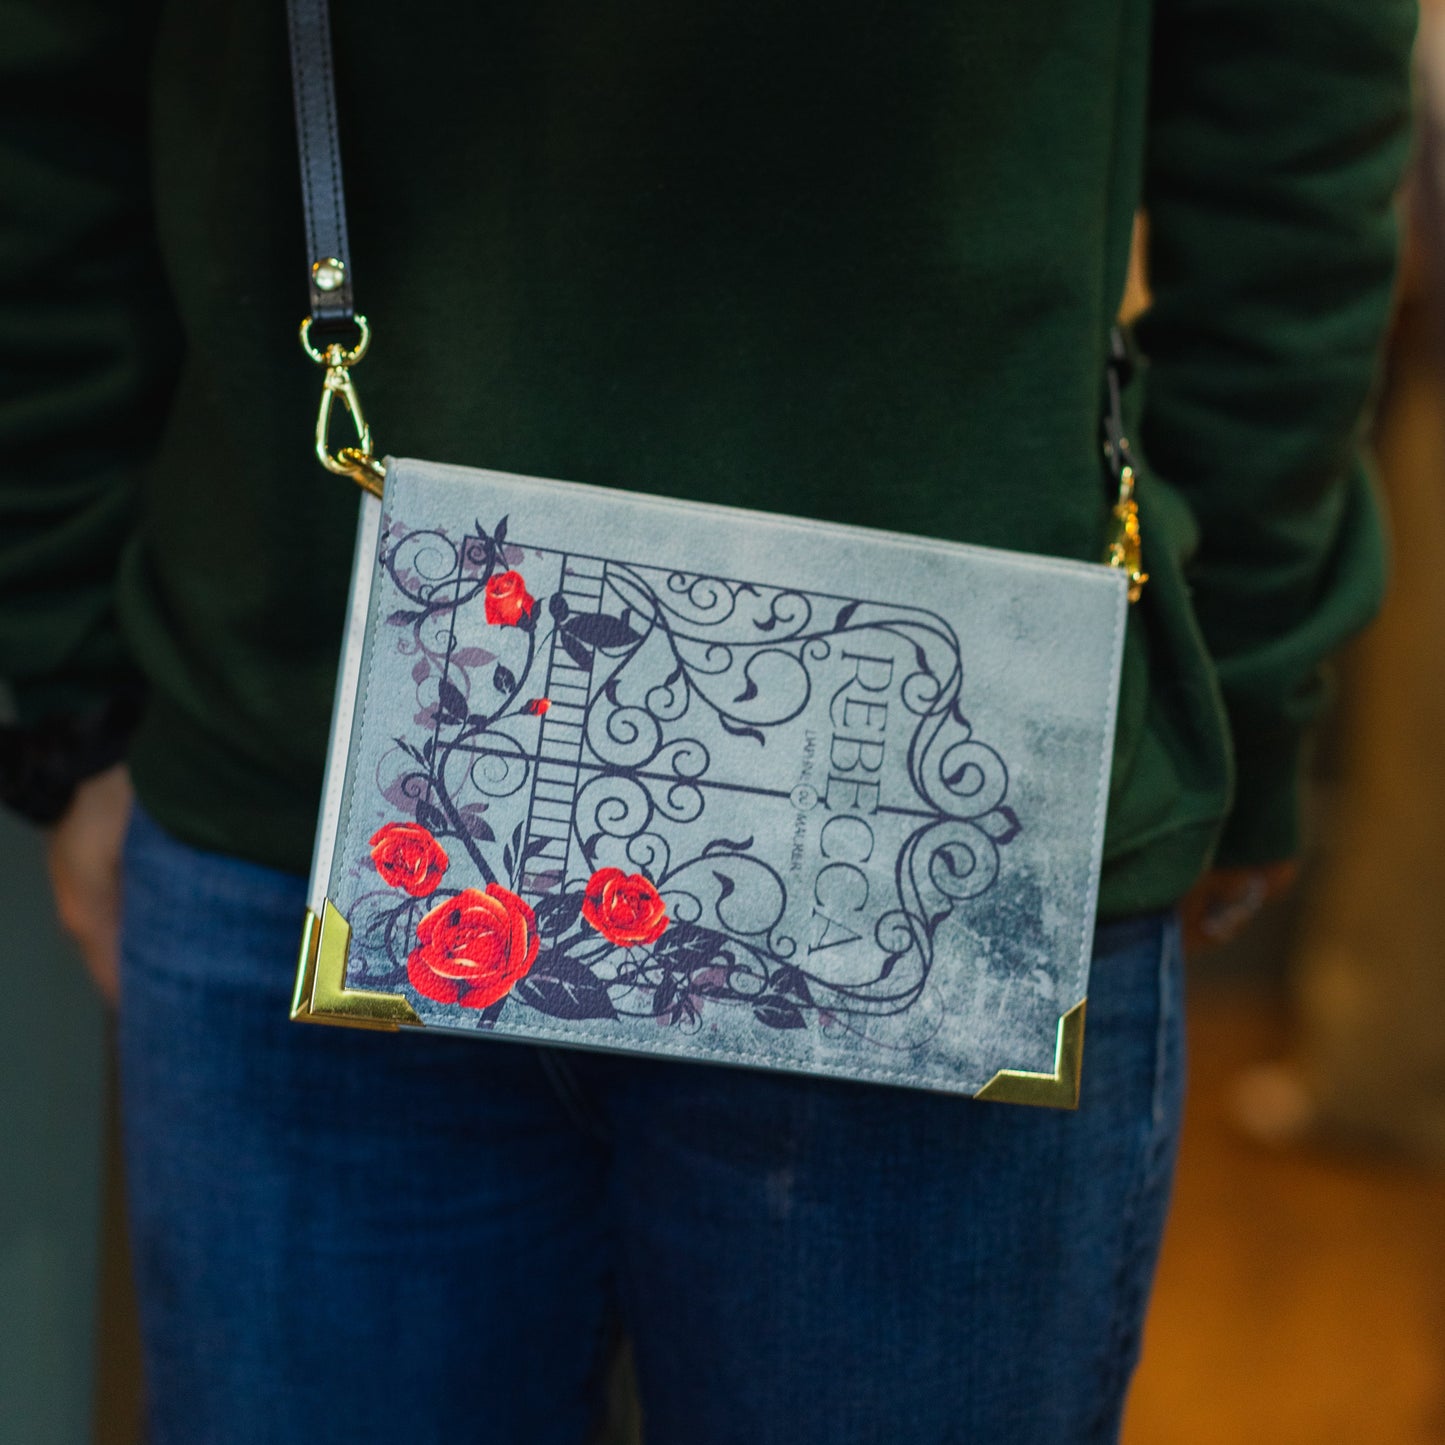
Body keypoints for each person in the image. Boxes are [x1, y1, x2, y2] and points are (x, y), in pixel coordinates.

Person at [0, 3, 1416, 1441]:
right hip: (332, 775)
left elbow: (1290, 105)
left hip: (910, 805)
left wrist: (1231, 678)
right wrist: (66, 677)